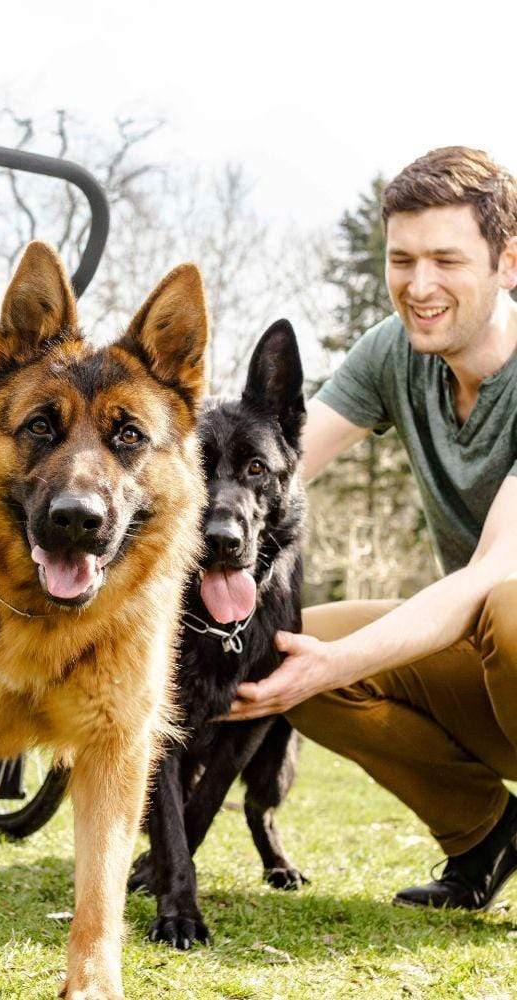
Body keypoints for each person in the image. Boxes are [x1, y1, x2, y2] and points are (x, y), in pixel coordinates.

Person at [226, 146, 517, 910]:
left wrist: (338, 662)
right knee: (288, 646)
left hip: (506, 620)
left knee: (509, 608)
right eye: (402, 260)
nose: (419, 287)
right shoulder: (395, 353)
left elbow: (492, 575)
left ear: (507, 262)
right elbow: (277, 467)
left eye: (447, 260)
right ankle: (485, 834)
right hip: (486, 659)